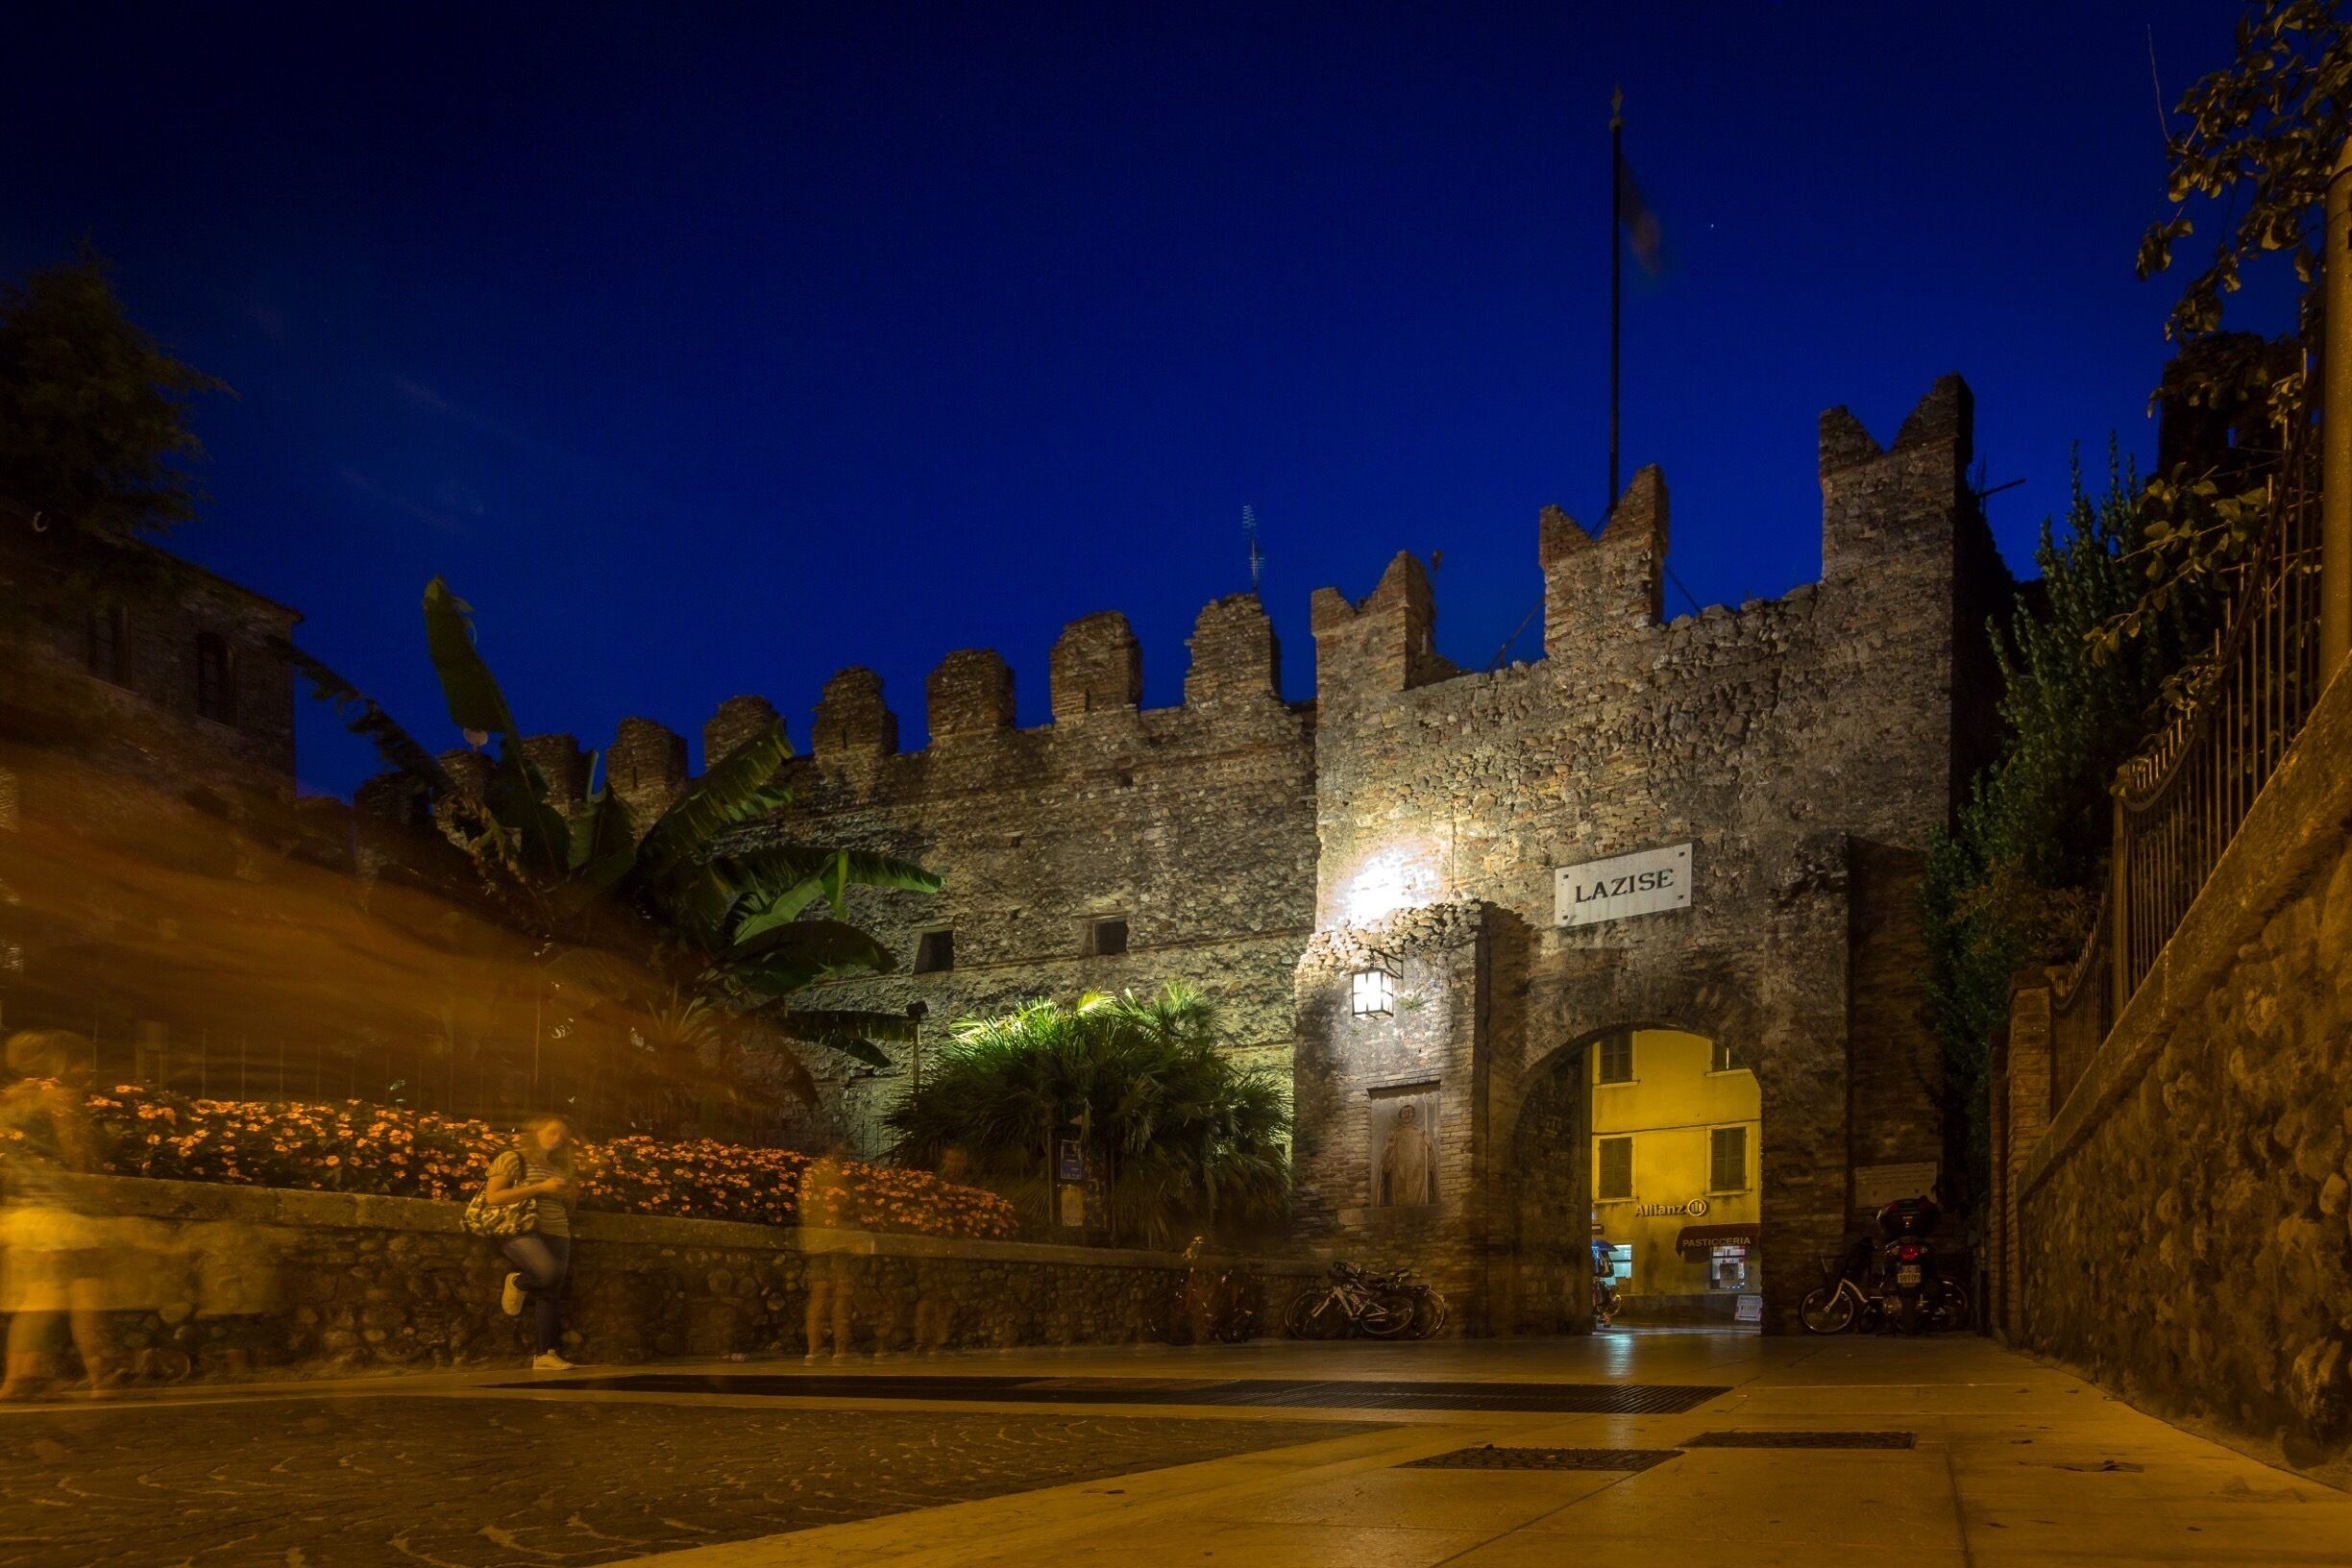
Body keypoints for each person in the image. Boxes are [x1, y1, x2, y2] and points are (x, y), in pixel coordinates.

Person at [0, 1030, 118, 1400]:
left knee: (37, 1300)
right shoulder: (60, 1097)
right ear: (62, 1062)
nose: (89, 1068)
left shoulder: (10, 1101)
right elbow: (80, 1156)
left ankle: (19, 1377)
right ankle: (103, 1373)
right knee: (89, 1292)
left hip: (25, 1215)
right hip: (65, 1213)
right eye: (82, 1059)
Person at [480, 1114, 580, 1371]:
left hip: (558, 1230)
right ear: (535, 1131)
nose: (557, 1139)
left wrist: (569, 1193)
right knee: (547, 1272)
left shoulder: (557, 1167)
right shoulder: (513, 1158)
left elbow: (566, 1205)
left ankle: (545, 1353)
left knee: (551, 1293)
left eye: (562, 1136)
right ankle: (517, 1281)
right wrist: (541, 1188)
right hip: (521, 1227)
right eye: (551, 1132)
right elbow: (493, 1197)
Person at [798, 1141, 857, 1362]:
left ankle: (813, 1351)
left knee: (818, 1294)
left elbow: (806, 1209)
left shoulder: (810, 1173)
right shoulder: (840, 1175)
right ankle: (841, 1351)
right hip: (837, 1241)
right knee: (841, 1293)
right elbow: (848, 1209)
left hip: (815, 1240)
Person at [912, 1145, 970, 1357]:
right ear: (944, 1160)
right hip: (933, 1248)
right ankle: (921, 1341)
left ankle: (940, 1342)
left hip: (952, 1249)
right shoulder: (936, 1184)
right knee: (928, 1297)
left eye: (959, 1160)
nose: (955, 1164)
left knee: (946, 1298)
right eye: (952, 1159)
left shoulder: (965, 1186)